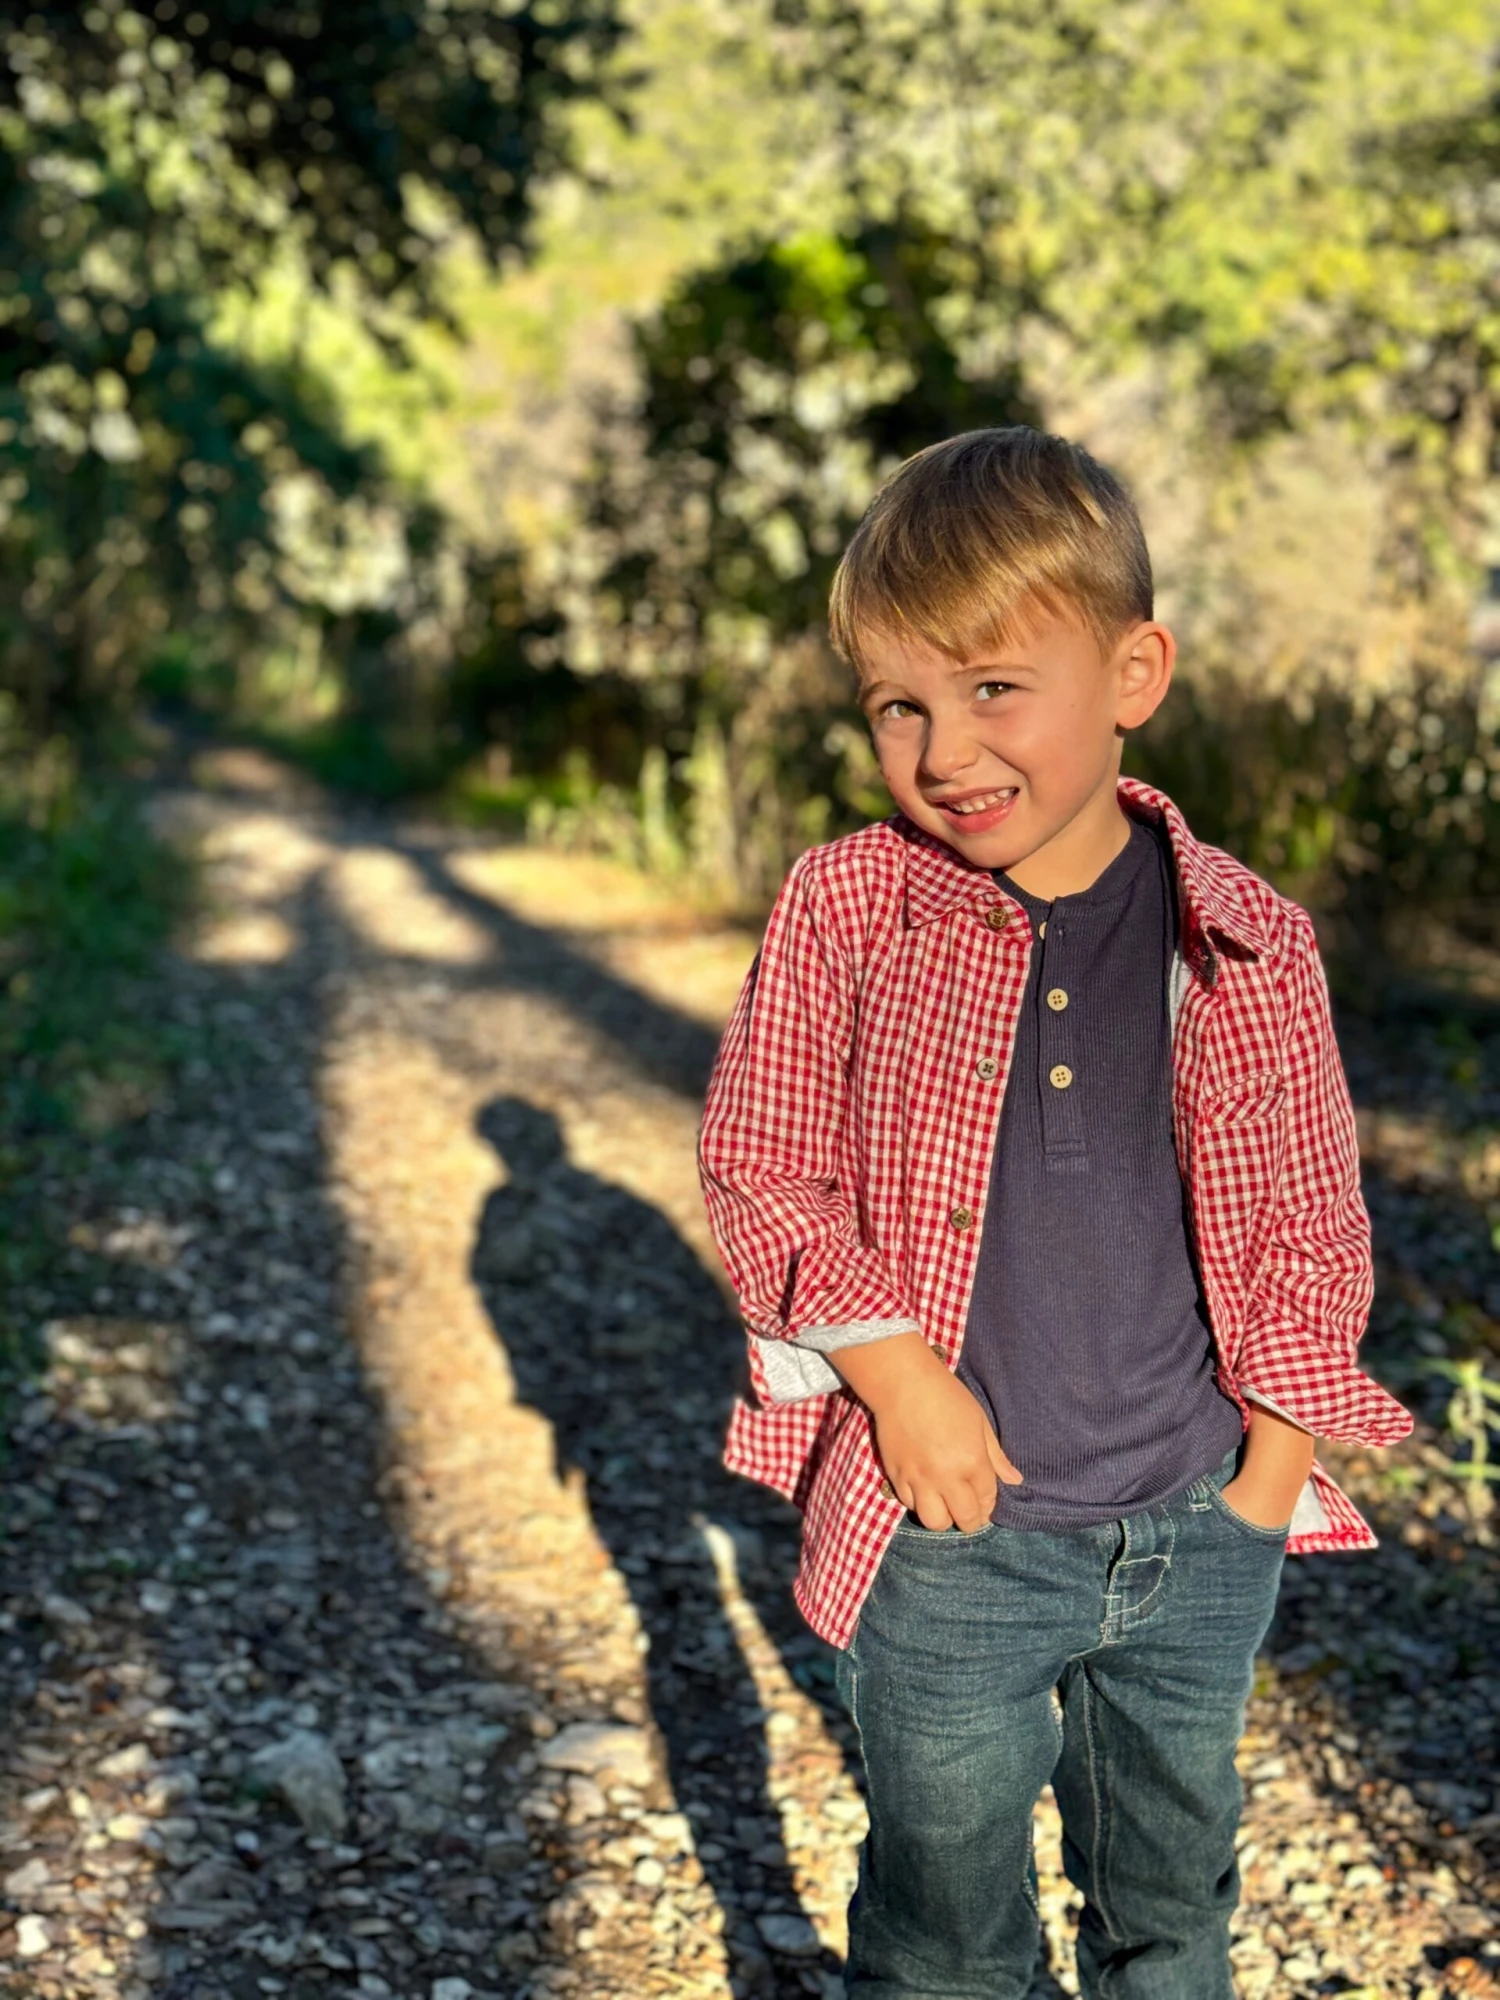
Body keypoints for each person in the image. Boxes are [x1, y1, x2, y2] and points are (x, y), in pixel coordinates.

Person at [697, 427, 1412, 1999]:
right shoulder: (848, 907)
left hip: (1193, 1517)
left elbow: (1308, 1222)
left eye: (995, 688)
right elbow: (764, 1165)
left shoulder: (1245, 938)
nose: (946, 747)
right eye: (902, 705)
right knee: (945, 1916)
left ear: (1133, 671)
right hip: (953, 1530)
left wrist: (1261, 1485)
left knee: (1170, 1904)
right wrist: (898, 1382)